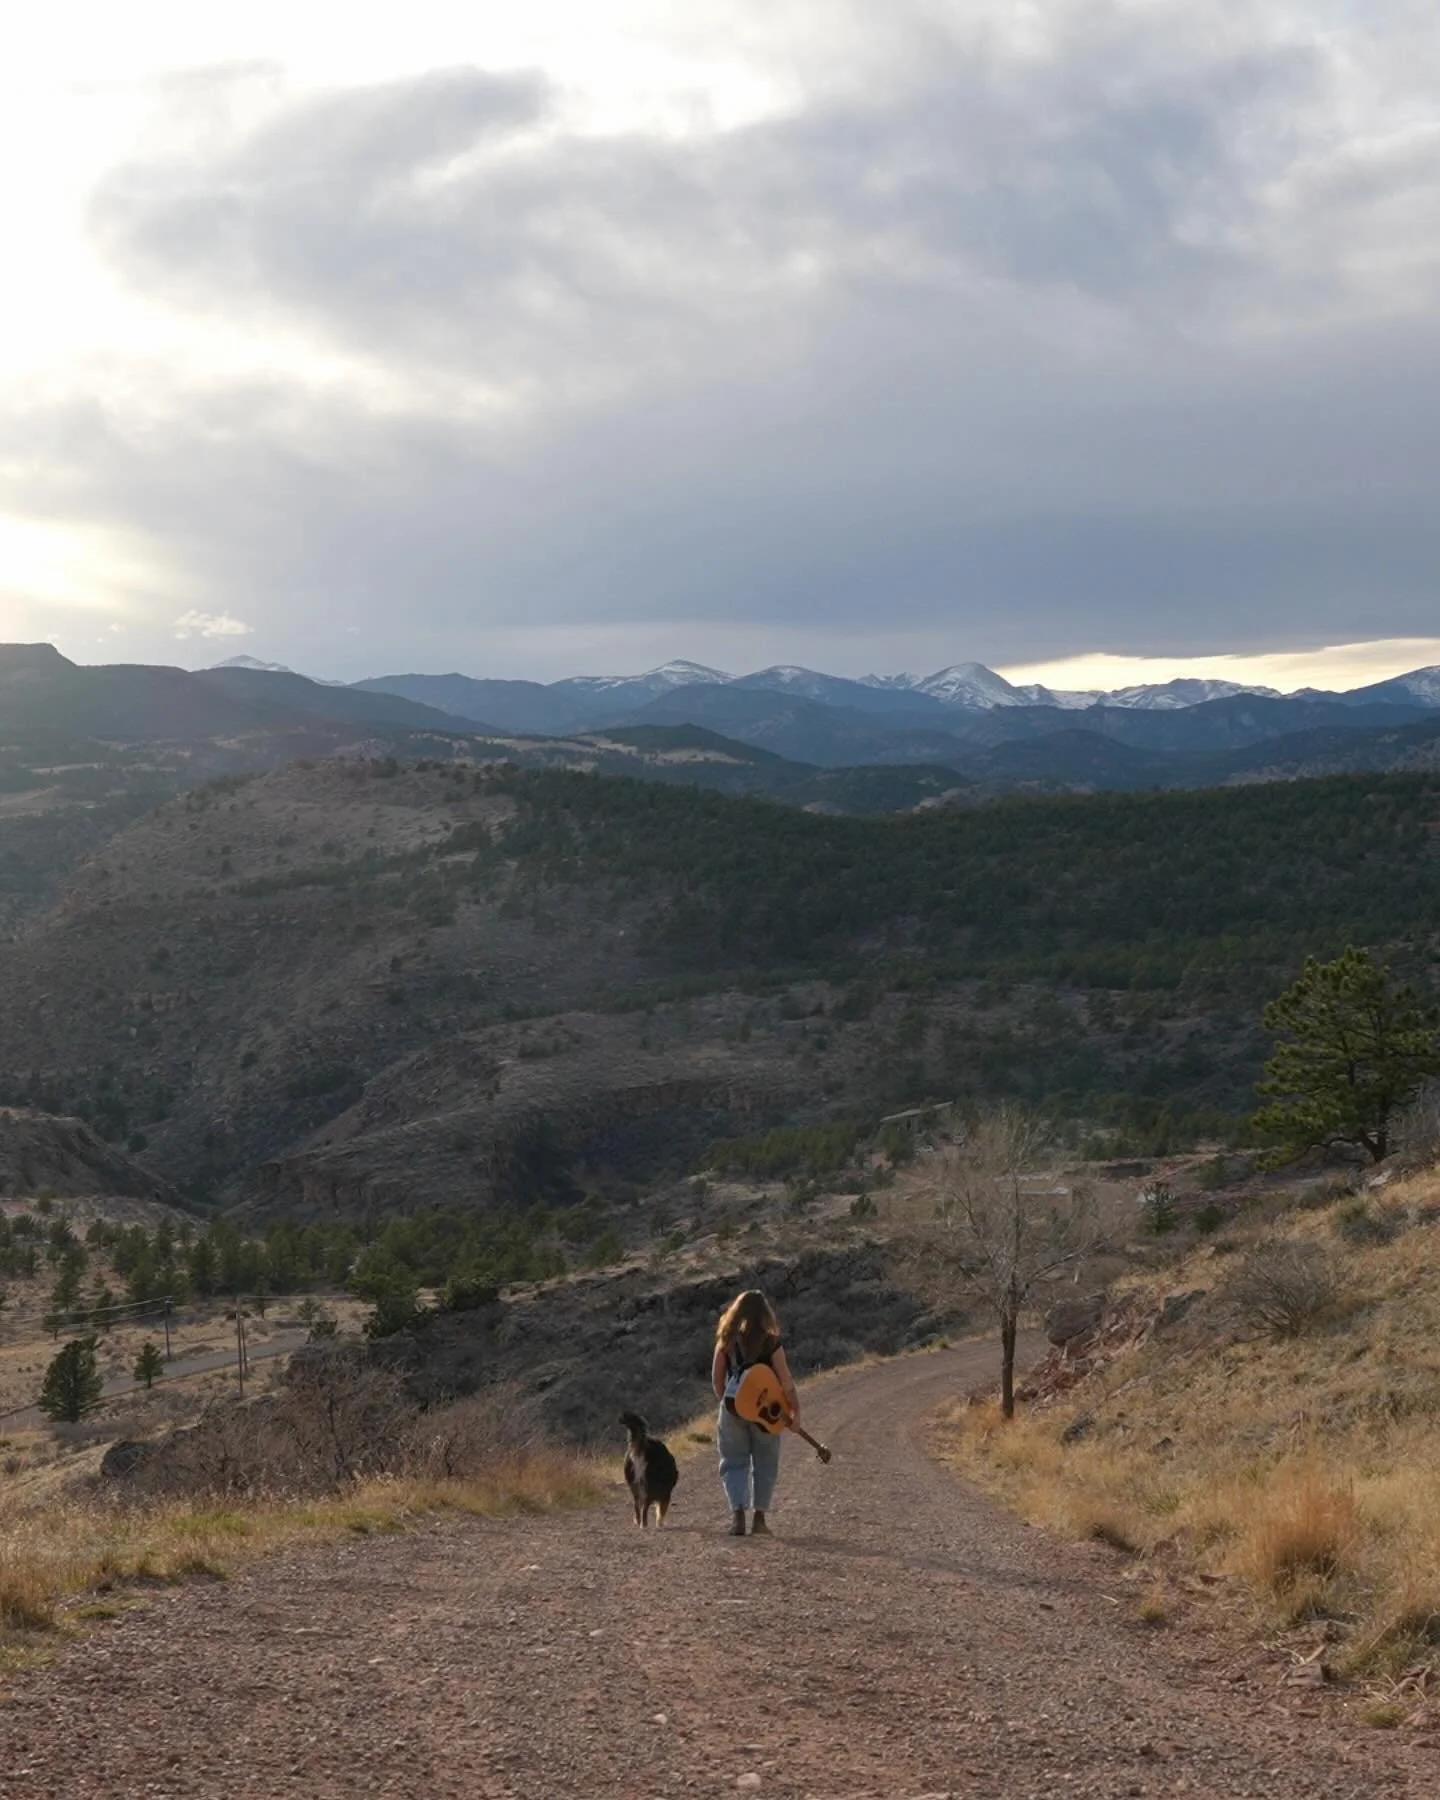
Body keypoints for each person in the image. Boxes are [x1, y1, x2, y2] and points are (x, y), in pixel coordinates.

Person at [711, 1288, 800, 1537]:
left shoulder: (726, 1341)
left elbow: (717, 1380)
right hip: (767, 1414)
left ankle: (738, 1516)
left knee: (733, 1461)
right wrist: (795, 1412)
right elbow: (786, 1382)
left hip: (733, 1409)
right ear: (764, 1313)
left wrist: (729, 1403)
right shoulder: (771, 1342)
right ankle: (759, 1519)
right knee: (765, 1462)